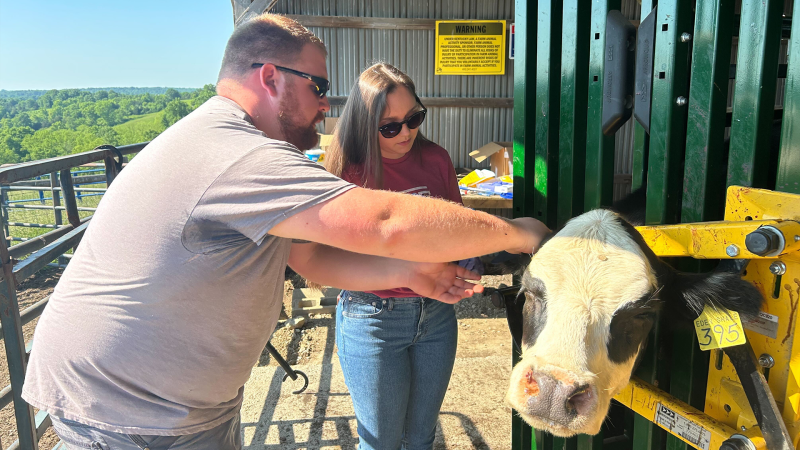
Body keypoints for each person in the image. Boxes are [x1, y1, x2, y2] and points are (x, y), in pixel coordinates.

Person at [22, 14, 549, 450]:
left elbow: (311, 260)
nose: (326, 103)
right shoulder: (240, 153)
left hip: (178, 404)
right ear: (270, 77)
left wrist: (410, 274)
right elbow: (387, 224)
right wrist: (518, 234)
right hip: (135, 415)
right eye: (318, 87)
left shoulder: (231, 146)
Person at [325, 63, 470, 450]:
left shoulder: (436, 159)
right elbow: (334, 259)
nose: (406, 132)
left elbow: (455, 231)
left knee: (421, 438)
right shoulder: (349, 172)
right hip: (373, 317)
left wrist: (469, 258)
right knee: (381, 443)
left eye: (414, 118)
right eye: (389, 126)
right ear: (363, 124)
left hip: (436, 314)